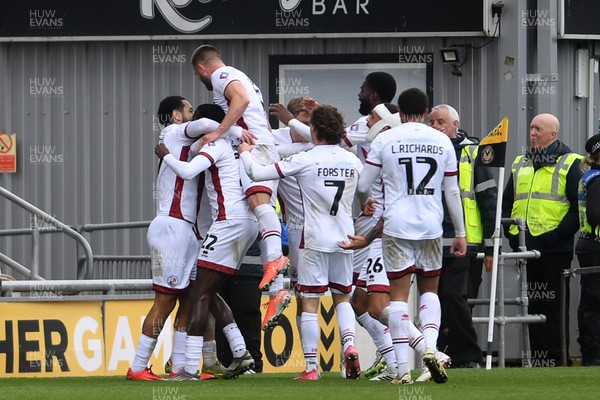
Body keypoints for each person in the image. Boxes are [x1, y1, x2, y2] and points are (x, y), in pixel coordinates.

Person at [341, 88, 467, 385]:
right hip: (431, 226)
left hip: (396, 226)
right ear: (425, 112)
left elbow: (363, 185)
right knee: (430, 291)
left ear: (400, 113)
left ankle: (400, 370)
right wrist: (460, 232)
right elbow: (452, 190)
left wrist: (364, 203)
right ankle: (432, 349)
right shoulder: (442, 141)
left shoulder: (385, 139)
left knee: (396, 297)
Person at [239, 104, 363, 381]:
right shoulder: (353, 160)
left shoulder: (306, 159)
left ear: (314, 130)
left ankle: (311, 368)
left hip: (313, 239)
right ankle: (350, 345)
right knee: (342, 297)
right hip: (346, 237)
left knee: (309, 301)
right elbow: (365, 194)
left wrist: (246, 155)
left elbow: (257, 174)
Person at [127, 98, 232, 381]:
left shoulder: (188, 144)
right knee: (165, 301)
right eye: (187, 110)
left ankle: (181, 368)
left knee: (189, 299)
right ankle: (137, 367)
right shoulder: (174, 132)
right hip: (171, 228)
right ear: (176, 115)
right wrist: (235, 127)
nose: (191, 115)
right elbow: (210, 124)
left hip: (186, 231)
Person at [154, 106, 260, 380]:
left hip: (228, 222)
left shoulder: (217, 145)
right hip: (250, 223)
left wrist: (166, 156)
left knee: (197, 293)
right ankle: (240, 352)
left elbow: (188, 172)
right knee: (209, 291)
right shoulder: (244, 145)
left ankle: (189, 368)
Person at [190, 44, 289, 292]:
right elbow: (259, 115)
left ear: (201, 68)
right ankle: (276, 289)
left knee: (259, 204)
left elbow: (241, 100)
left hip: (254, 147)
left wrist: (219, 131)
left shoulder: (221, 76)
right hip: (263, 144)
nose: (200, 78)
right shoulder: (244, 78)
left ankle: (276, 260)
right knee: (264, 215)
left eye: (196, 74)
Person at [502, 113, 583, 366]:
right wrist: (511, 234)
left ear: (553, 134)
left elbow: (577, 207)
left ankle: (557, 359)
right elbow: (507, 202)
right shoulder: (520, 162)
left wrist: (557, 236)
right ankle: (537, 360)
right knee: (531, 305)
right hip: (525, 249)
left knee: (554, 307)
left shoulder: (571, 163)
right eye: (531, 128)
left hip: (554, 249)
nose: (533, 133)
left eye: (538, 129)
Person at [428, 104, 498, 368]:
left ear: (456, 125)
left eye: (441, 122)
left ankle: (467, 355)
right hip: (432, 238)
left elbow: (488, 199)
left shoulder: (473, 153)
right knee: (436, 299)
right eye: (431, 122)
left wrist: (491, 247)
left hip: (465, 241)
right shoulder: (426, 150)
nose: (435, 126)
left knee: (456, 297)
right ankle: (444, 354)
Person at [575, 133, 600, 366]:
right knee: (595, 301)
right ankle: (593, 354)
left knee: (591, 300)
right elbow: (595, 215)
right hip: (595, 246)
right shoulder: (598, 179)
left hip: (588, 244)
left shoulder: (591, 176)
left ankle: (591, 352)